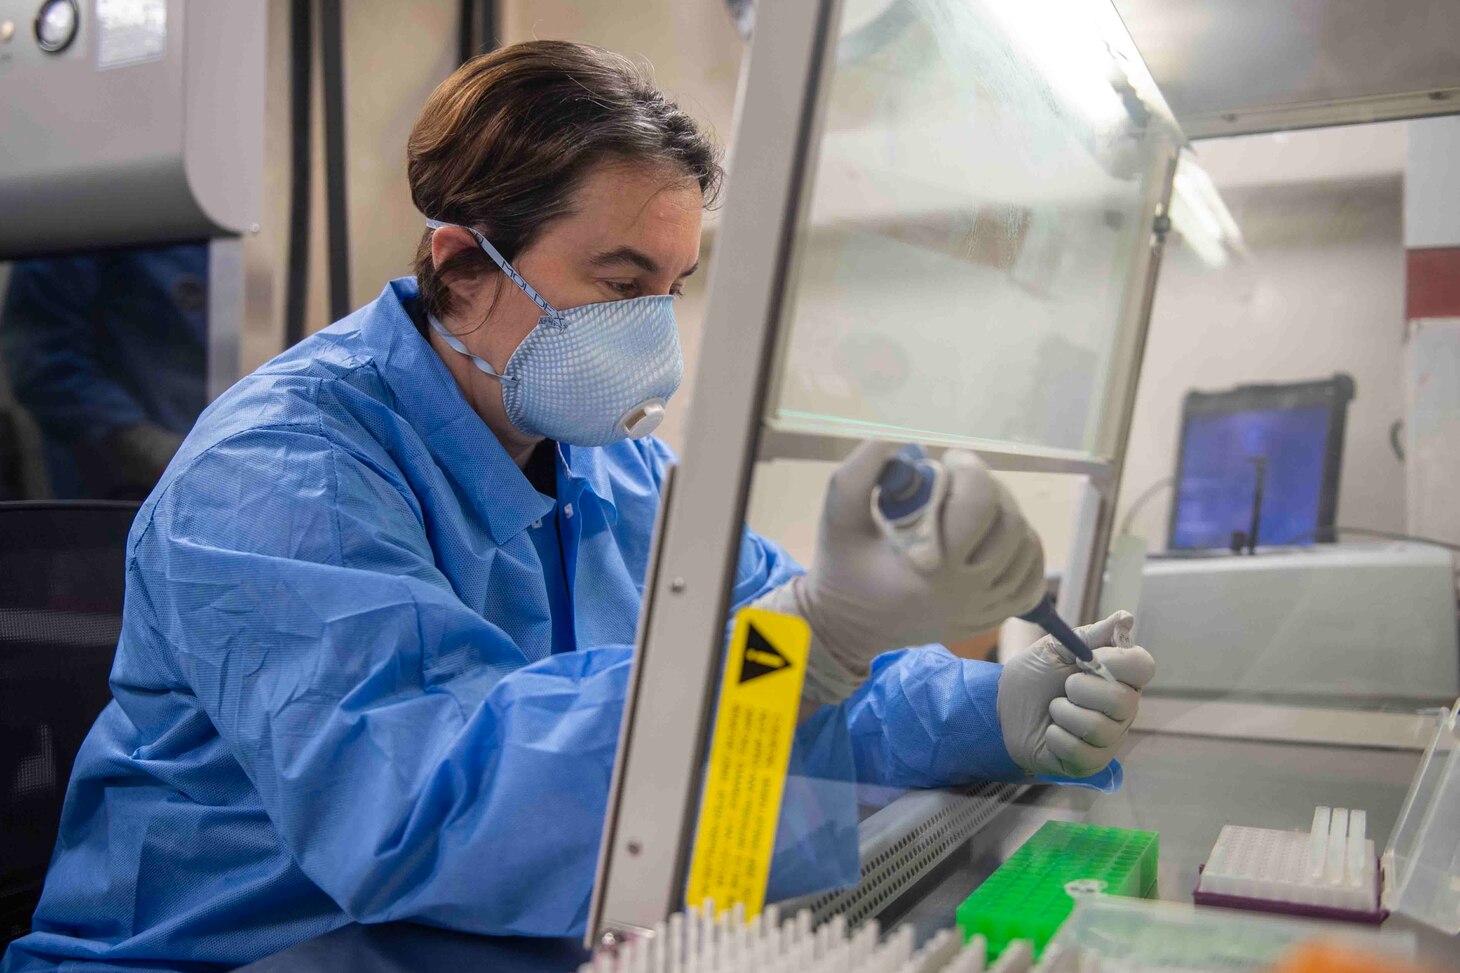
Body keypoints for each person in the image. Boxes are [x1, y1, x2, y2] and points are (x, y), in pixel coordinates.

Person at [2, 41, 1154, 972]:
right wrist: (812, 636)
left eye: (671, 288)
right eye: (618, 284)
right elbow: (423, 808)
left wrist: (992, 707)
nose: (652, 330)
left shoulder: (613, 466)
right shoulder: (278, 474)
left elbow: (775, 689)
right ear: (462, 267)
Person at [0, 244, 209, 499]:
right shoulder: (83, 223)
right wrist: (148, 447)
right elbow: (41, 360)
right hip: (114, 486)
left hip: (196, 465)